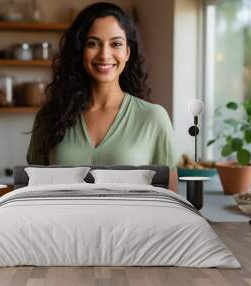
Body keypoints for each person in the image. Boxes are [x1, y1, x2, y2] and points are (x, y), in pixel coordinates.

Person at [27, 2, 179, 191]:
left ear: (127, 52)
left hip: (134, 222)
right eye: (93, 43)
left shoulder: (153, 118)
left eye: (116, 44)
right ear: (80, 51)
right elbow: (31, 194)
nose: (104, 54)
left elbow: (171, 203)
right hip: (61, 221)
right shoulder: (49, 117)